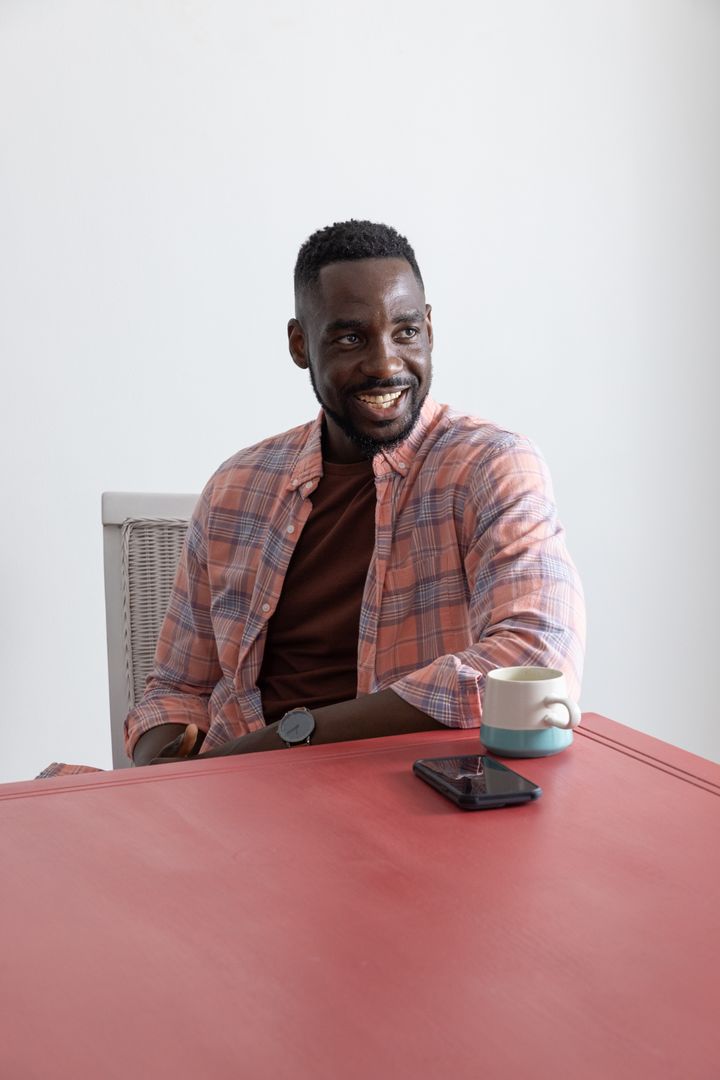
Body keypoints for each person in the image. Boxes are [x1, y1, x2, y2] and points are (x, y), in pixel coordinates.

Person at [126, 219, 585, 767]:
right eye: (350, 338)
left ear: (430, 329)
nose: (385, 364)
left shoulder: (491, 467)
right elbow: (176, 690)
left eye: (406, 332)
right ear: (300, 344)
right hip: (236, 804)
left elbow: (536, 660)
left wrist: (285, 741)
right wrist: (168, 782)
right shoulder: (234, 489)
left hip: (411, 795)